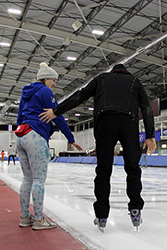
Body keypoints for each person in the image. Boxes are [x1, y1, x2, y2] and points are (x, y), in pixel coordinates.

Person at [39, 63, 156, 230]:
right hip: (128, 123)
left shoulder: (102, 78)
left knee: (103, 170)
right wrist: (150, 135)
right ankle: (136, 209)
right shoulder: (134, 81)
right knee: (133, 168)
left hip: (105, 122)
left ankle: (101, 215)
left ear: (113, 71)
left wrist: (56, 111)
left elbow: (79, 96)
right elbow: (147, 108)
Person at [16, 62, 82, 230]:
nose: (54, 84)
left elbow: (19, 116)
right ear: (45, 79)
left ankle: (25, 217)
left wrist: (20, 131)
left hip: (21, 135)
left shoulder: (26, 93)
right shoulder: (46, 91)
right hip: (36, 137)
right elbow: (57, 115)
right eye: (53, 80)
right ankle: (39, 220)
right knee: (38, 179)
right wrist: (70, 138)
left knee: (26, 179)